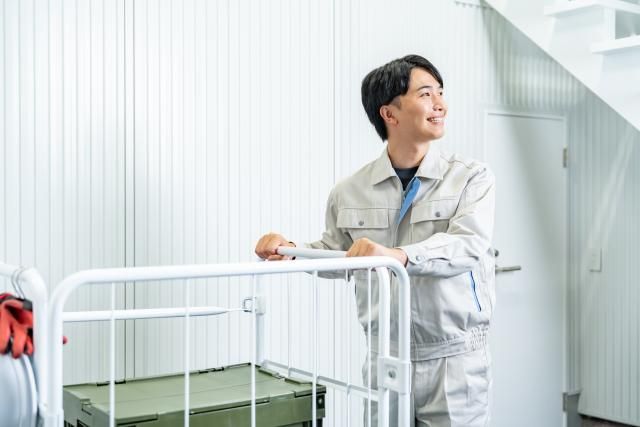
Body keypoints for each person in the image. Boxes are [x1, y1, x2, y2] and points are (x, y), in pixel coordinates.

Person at [255, 54, 496, 427]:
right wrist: (289, 251)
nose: (440, 104)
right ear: (389, 113)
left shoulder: (471, 178)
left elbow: (468, 246)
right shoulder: (349, 191)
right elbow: (339, 256)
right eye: (426, 94)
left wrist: (398, 256)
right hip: (385, 355)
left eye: (440, 92)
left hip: (453, 359)